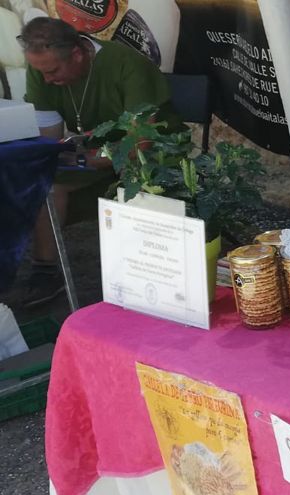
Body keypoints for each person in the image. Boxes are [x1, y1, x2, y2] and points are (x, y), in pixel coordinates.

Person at [12, 17, 180, 307]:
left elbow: (141, 141)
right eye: (41, 71)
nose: (47, 79)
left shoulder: (128, 65)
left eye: (52, 71)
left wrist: (85, 159)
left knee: (134, 176)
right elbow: (48, 136)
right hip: (93, 152)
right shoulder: (42, 68)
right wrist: (55, 156)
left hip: (155, 153)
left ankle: (149, 276)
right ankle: (46, 272)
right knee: (44, 183)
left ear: (77, 53)